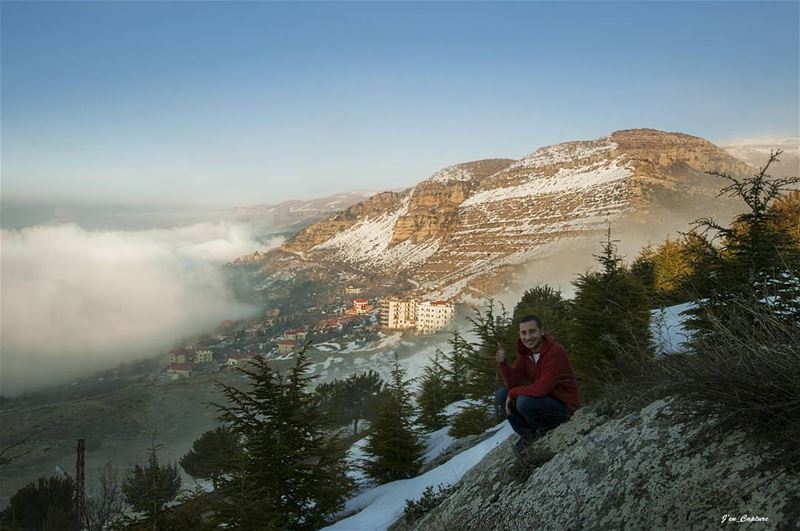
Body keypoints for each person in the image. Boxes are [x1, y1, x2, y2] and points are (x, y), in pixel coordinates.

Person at [495, 314, 580, 458]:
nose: (528, 337)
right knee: (501, 394)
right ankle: (529, 435)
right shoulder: (526, 354)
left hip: (564, 408)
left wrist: (513, 393)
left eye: (532, 331)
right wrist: (503, 364)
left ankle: (542, 430)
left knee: (523, 400)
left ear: (542, 331)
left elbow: (542, 387)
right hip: (544, 402)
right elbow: (513, 383)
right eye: (523, 333)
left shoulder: (555, 352)